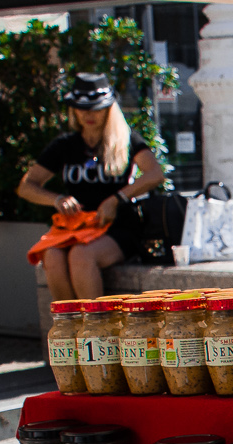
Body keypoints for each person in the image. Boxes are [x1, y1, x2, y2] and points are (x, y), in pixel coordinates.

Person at [17, 72, 165, 301]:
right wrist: (57, 199)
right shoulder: (65, 145)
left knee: (81, 255)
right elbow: (26, 186)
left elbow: (155, 174)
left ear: (108, 109)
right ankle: (71, 323)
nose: (88, 114)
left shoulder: (126, 139)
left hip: (117, 226)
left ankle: (96, 324)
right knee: (52, 255)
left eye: (96, 108)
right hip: (76, 225)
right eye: (81, 108)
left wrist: (116, 199)